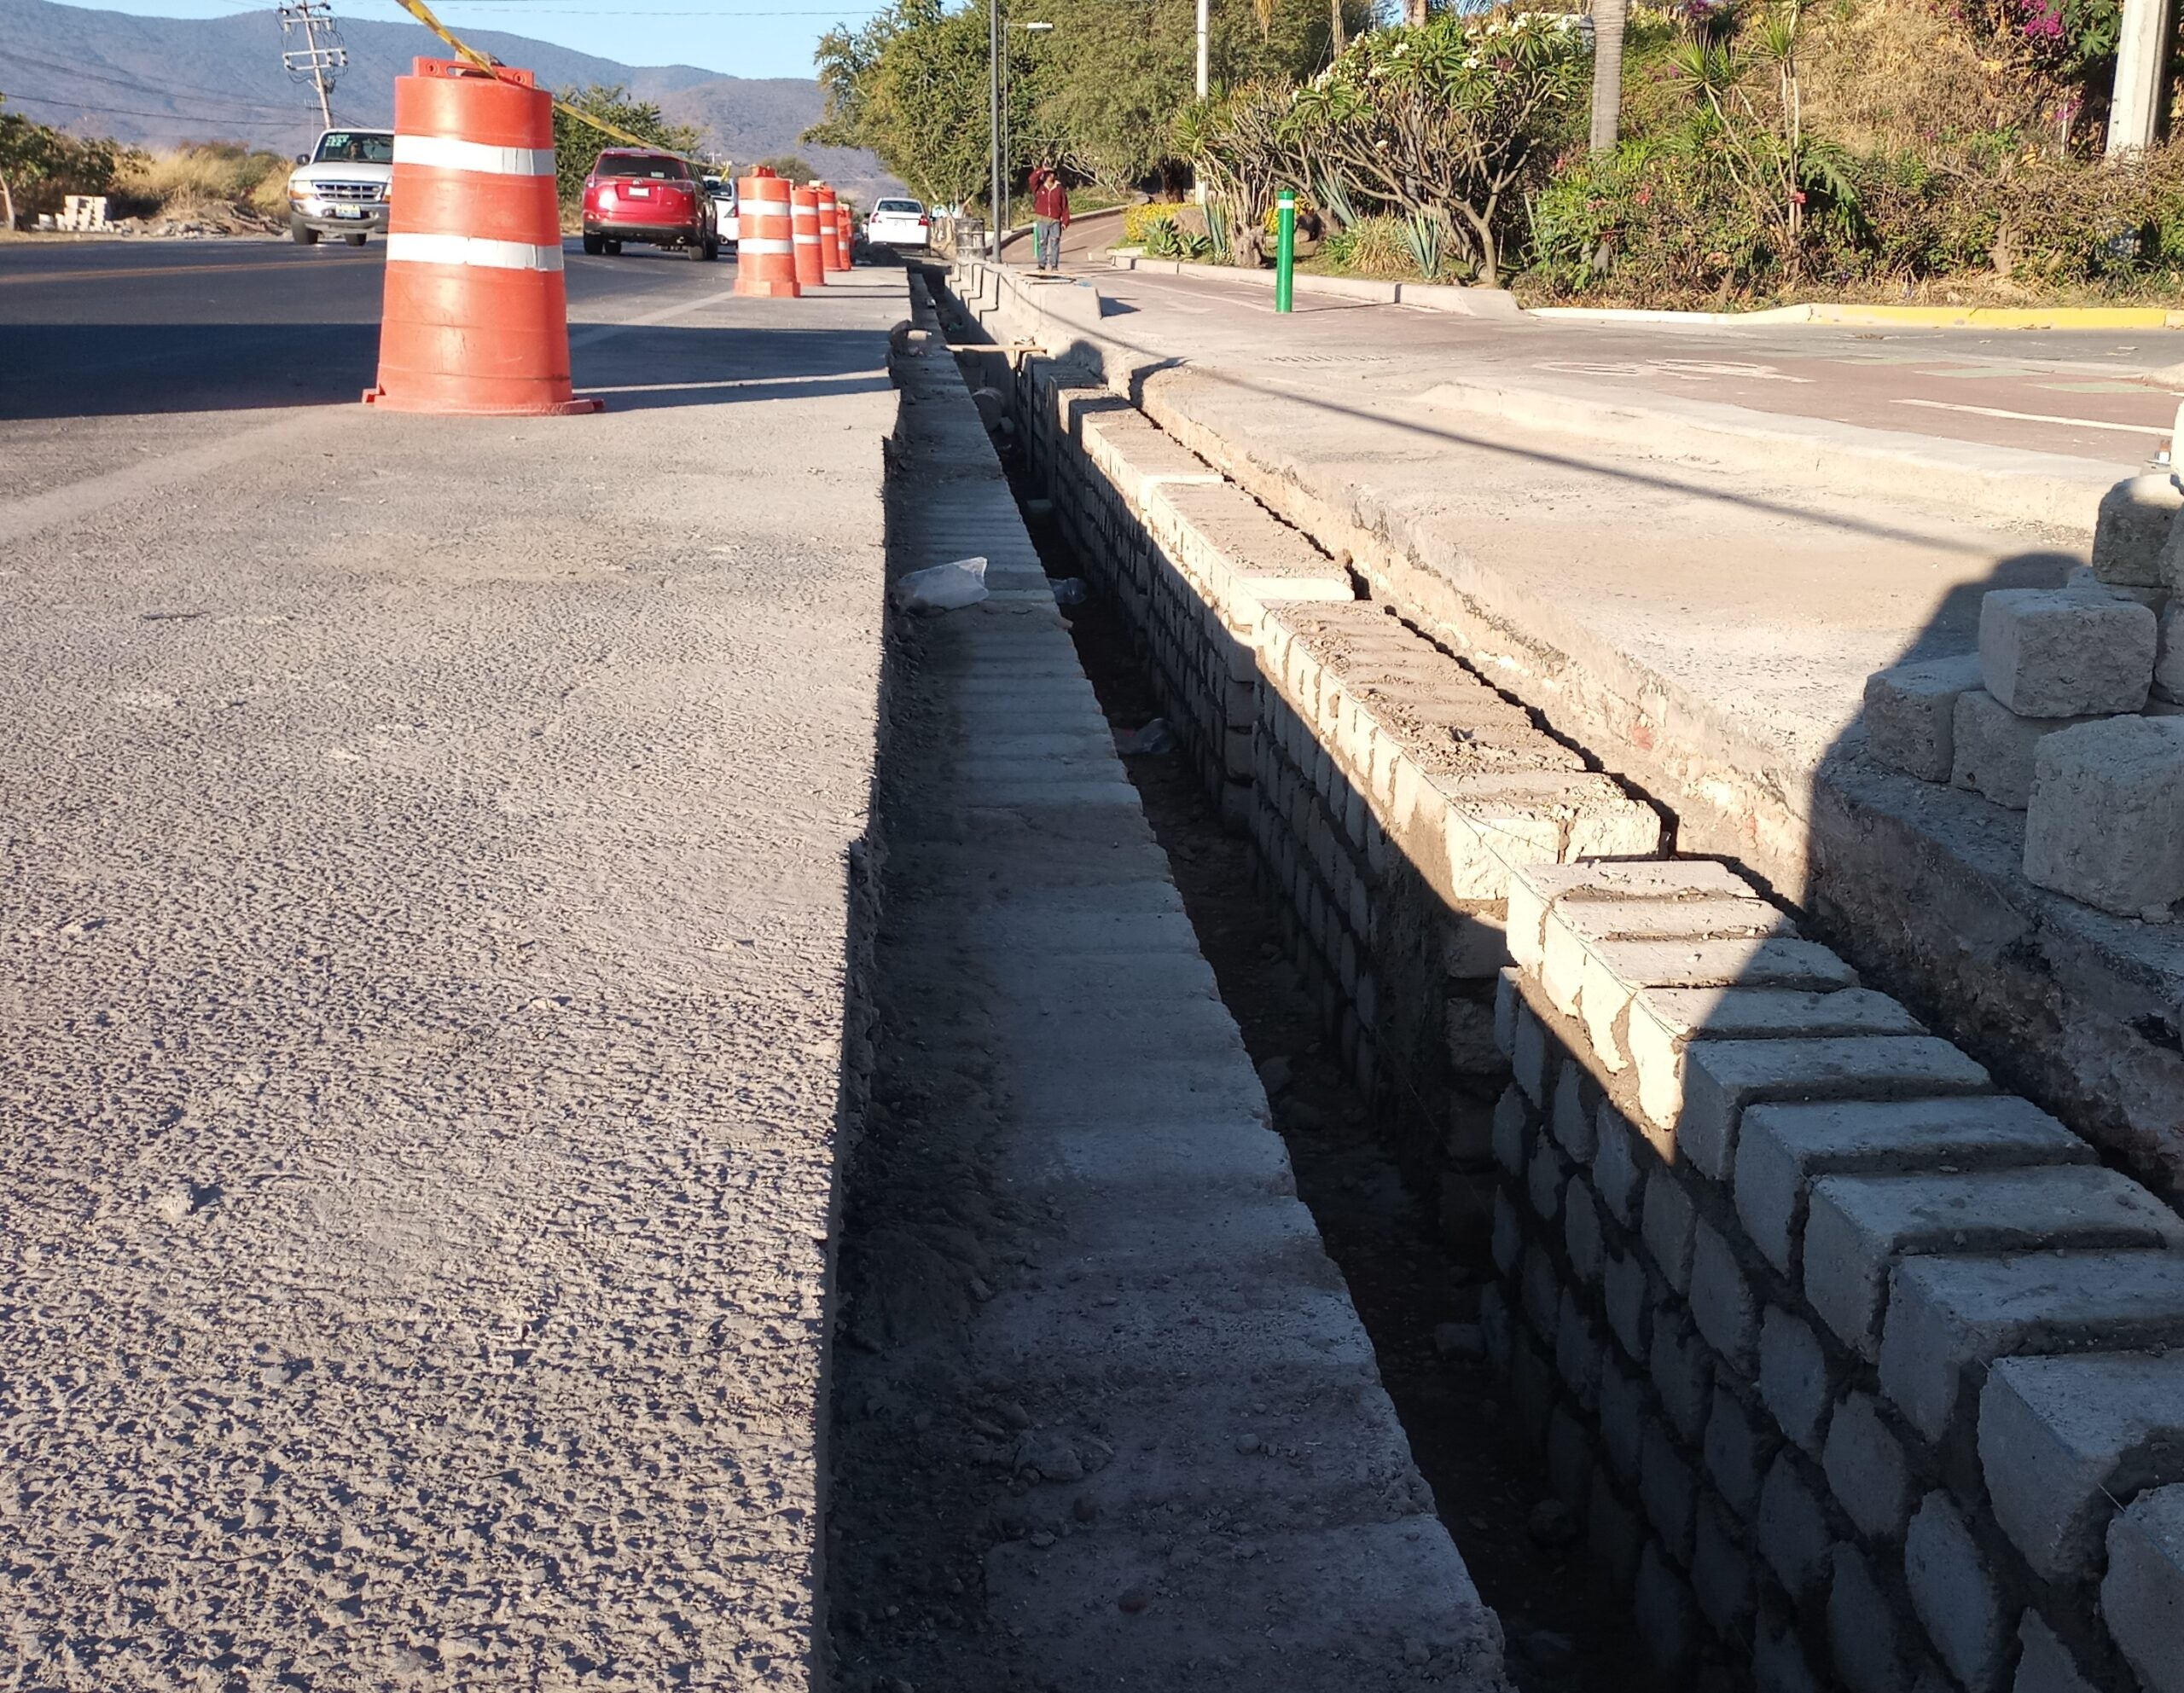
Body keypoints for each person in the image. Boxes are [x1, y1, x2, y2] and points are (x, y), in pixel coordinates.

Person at [1031, 164, 1069, 272]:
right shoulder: (1039, 187)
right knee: (1042, 242)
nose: (1050, 176)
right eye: (1048, 174)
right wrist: (1042, 169)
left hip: (1055, 221)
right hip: (1042, 220)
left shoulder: (1059, 189)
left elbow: (1065, 206)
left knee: (1055, 242)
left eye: (1052, 174)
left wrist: (1065, 221)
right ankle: (1041, 264)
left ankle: (1054, 265)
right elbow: (1032, 179)